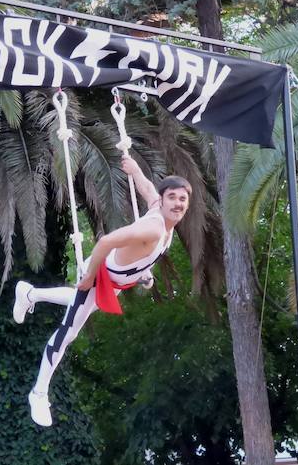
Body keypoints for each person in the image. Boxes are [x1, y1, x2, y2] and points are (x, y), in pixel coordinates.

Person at [12, 155, 191, 426]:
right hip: (99, 276)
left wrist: (134, 168)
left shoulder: (162, 216)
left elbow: (146, 187)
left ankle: (30, 294)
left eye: (182, 199)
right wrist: (89, 277)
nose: (178, 203)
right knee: (68, 332)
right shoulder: (154, 228)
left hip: (117, 280)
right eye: (173, 198)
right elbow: (106, 241)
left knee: (77, 304)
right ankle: (39, 393)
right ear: (164, 201)